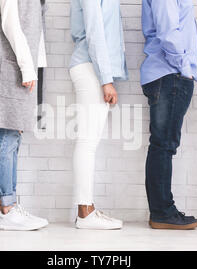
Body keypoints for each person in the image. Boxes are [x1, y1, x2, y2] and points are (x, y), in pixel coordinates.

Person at [0, 0, 49, 231]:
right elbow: (10, 23)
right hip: (17, 66)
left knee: (14, 133)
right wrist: (27, 67)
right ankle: (6, 209)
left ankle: (9, 204)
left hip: (25, 65)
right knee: (8, 132)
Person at [141, 0, 197, 230]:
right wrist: (184, 68)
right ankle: (162, 212)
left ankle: (162, 210)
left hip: (171, 74)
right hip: (170, 74)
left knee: (163, 145)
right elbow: (168, 32)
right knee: (163, 146)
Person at [69, 0, 128, 230]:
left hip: (93, 68)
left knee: (88, 142)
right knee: (87, 143)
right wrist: (106, 79)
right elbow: (94, 32)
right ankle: (85, 212)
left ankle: (87, 209)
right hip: (90, 69)